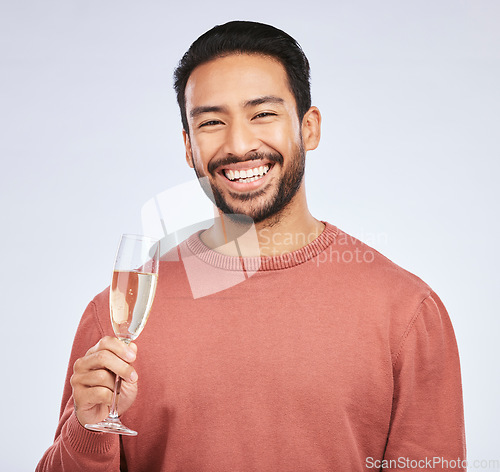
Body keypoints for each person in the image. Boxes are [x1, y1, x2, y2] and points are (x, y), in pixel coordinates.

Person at [37, 21, 466, 471]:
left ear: (310, 128)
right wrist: (88, 432)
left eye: (262, 114)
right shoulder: (116, 315)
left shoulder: (406, 312)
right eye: (211, 122)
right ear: (188, 148)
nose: (239, 145)